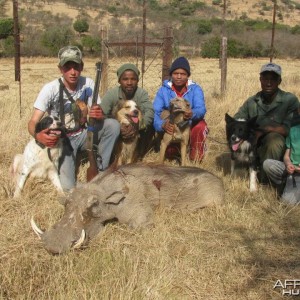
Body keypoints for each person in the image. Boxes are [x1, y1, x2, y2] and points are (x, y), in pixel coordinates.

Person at [28, 45, 120, 191]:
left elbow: (99, 112)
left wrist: (100, 115)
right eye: (67, 67)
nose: (72, 72)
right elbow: (33, 121)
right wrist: (38, 136)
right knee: (68, 187)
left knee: (113, 125)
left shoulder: (89, 83)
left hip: (84, 134)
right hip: (62, 141)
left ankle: (101, 169)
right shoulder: (50, 89)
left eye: (76, 67)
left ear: (81, 67)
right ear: (60, 69)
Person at [234, 62, 299, 183]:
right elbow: (237, 120)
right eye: (265, 79)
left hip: (280, 149)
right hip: (254, 144)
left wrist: (264, 130)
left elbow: (292, 129)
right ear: (260, 80)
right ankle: (245, 171)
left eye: (273, 79)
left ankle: (266, 181)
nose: (269, 83)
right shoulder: (252, 101)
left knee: (274, 140)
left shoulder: (290, 100)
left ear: (279, 81)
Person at [153, 56, 208, 161]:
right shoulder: (163, 90)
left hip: (189, 124)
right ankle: (175, 150)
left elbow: (201, 109)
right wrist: (162, 125)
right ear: (171, 75)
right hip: (173, 125)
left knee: (200, 126)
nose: (179, 77)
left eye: (183, 74)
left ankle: (195, 154)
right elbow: (156, 112)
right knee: (170, 154)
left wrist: (192, 114)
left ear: (188, 76)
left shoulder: (195, 89)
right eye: (175, 73)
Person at [100, 63, 154, 159]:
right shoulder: (112, 94)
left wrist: (137, 126)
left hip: (136, 129)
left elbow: (150, 112)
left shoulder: (141, 93)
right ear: (119, 81)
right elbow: (101, 114)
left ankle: (140, 153)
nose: (129, 82)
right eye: (125, 79)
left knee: (150, 126)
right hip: (117, 128)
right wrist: (118, 127)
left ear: (137, 81)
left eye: (133, 79)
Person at [263, 111, 300, 204]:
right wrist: (288, 164)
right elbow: (287, 155)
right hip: (292, 171)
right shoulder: (293, 130)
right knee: (267, 164)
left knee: (286, 203)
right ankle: (285, 184)